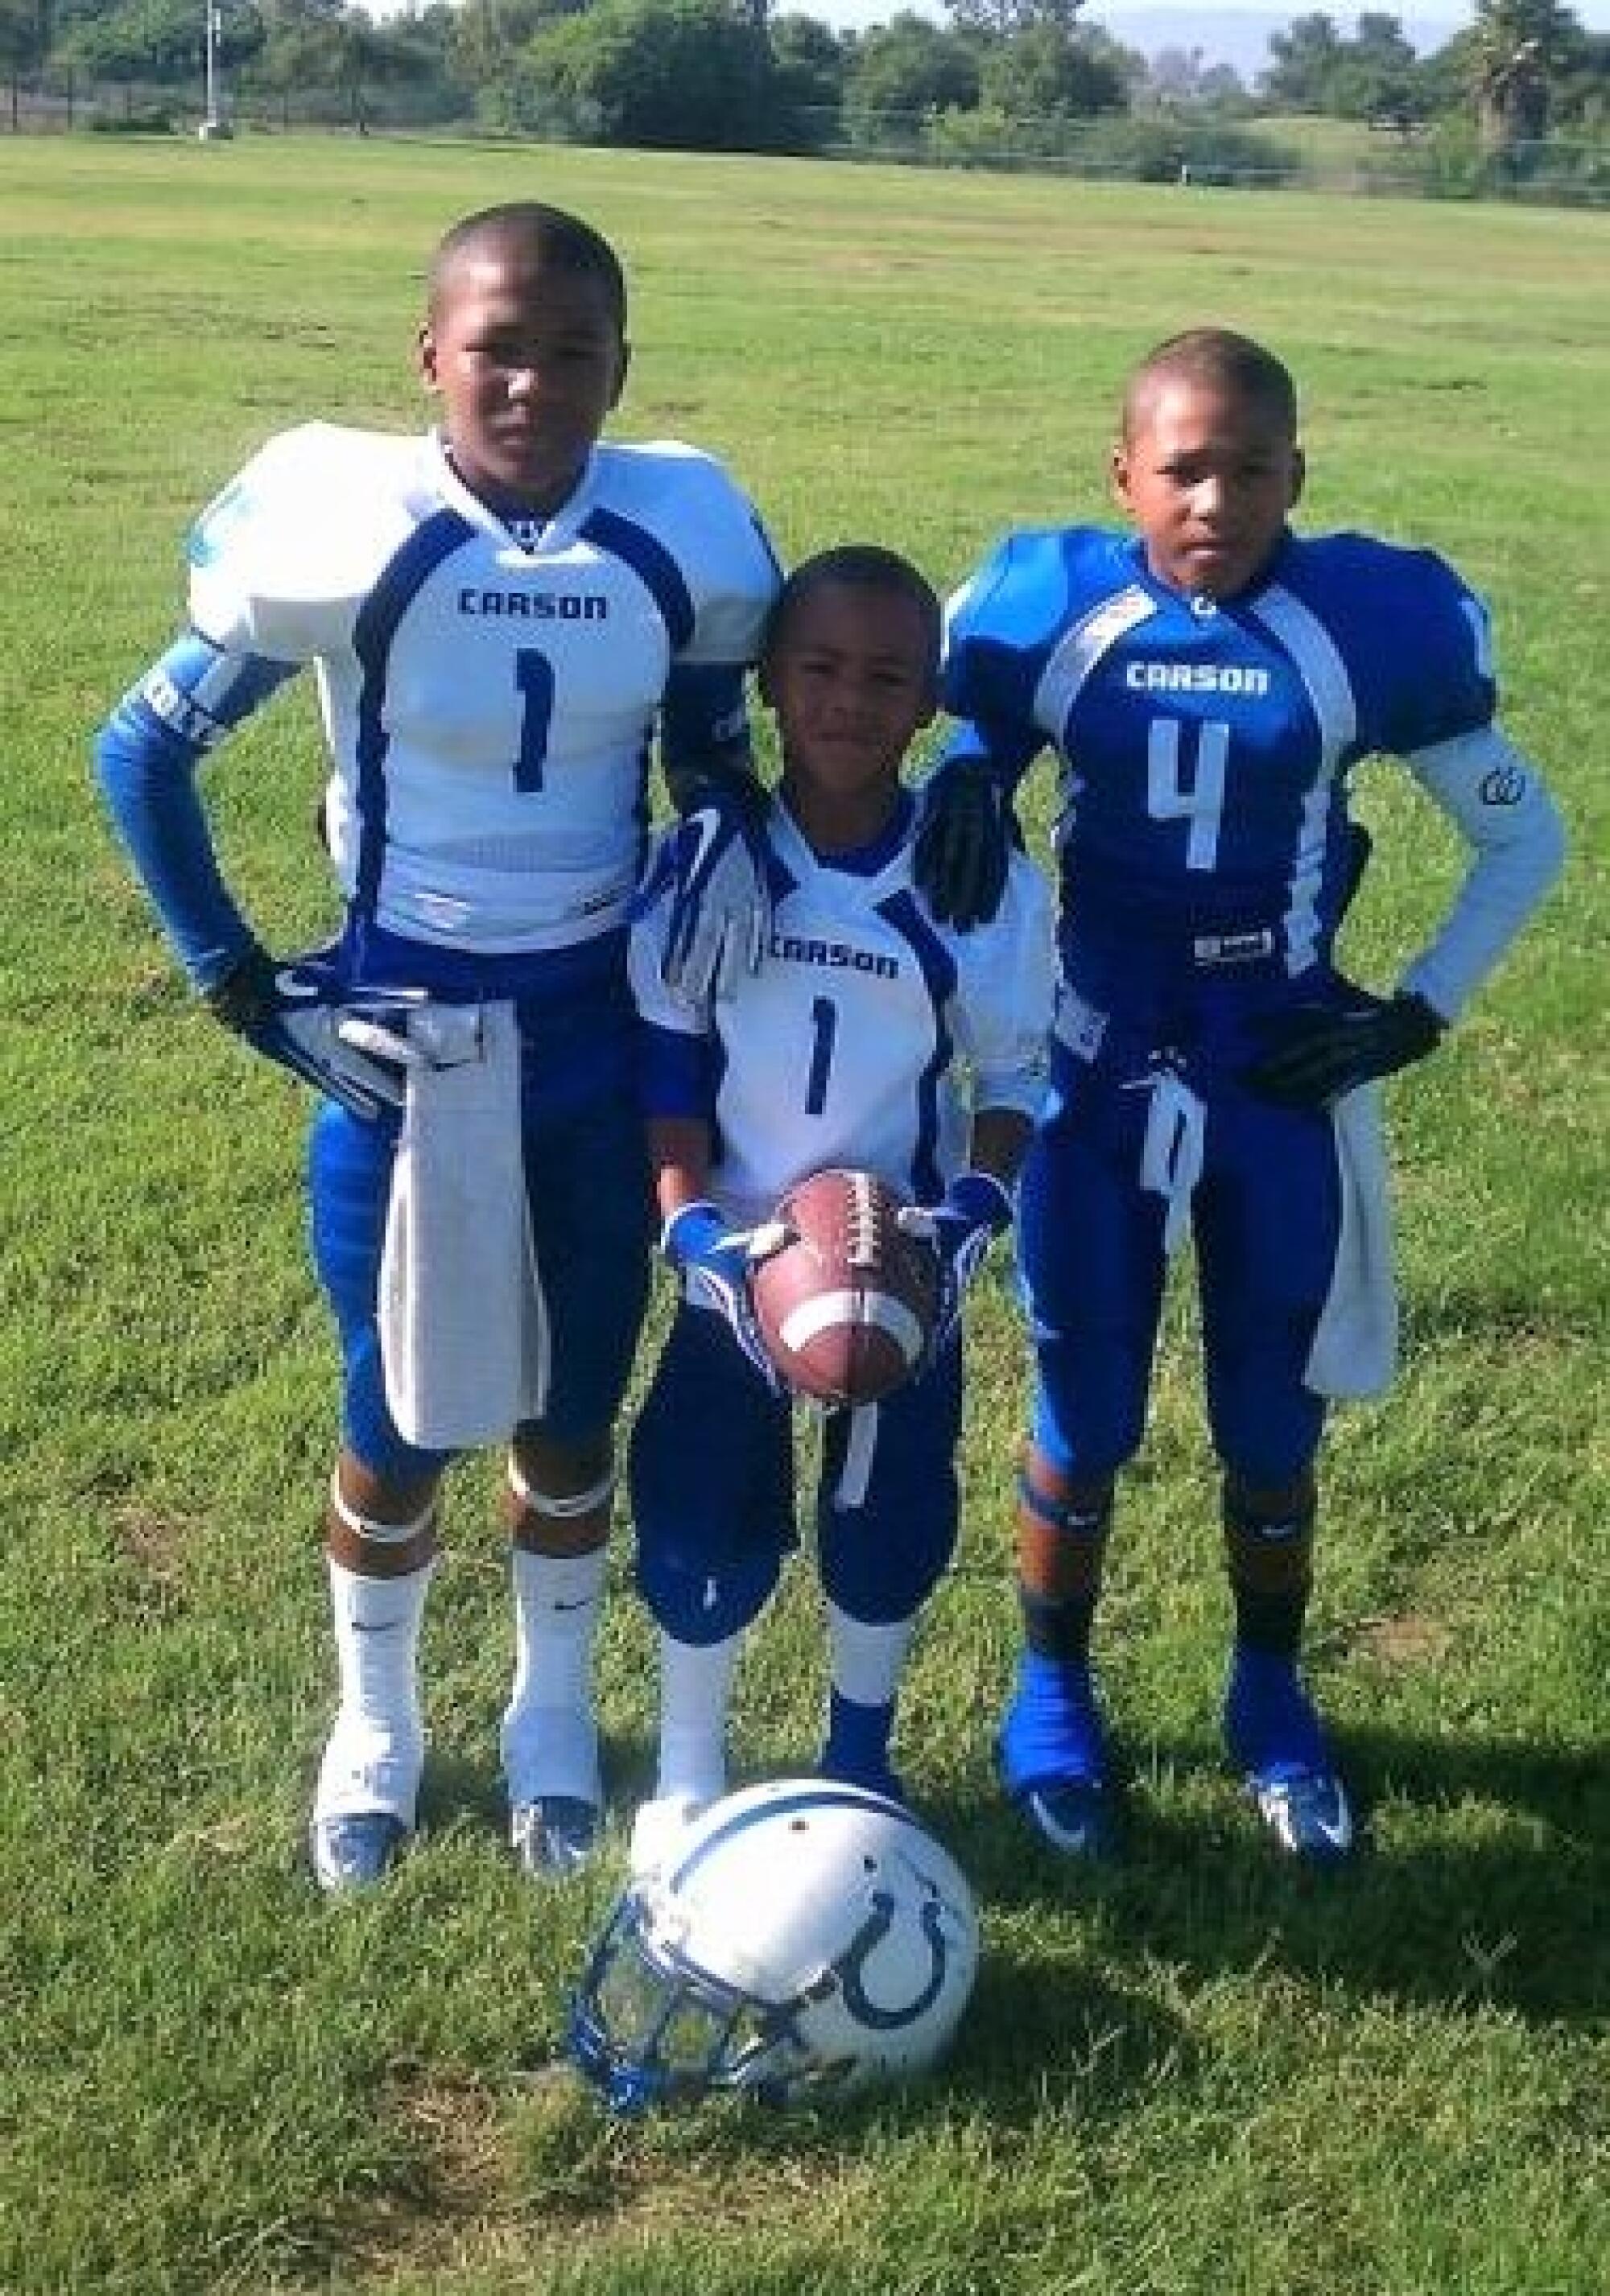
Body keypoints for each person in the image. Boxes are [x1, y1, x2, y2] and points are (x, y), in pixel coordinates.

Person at [94, 201, 782, 1893]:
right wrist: (242, 982)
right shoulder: (359, 530)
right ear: (428, 357)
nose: (532, 383)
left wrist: (747, 832)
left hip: (601, 1030)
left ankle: (553, 1714)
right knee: (393, 1400)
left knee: (571, 1397)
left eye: (570, 353)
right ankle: (377, 1724)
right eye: (497, 347)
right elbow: (140, 755)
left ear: (622, 368)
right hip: (406, 1023)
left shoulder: (676, 540)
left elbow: (712, 760)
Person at [913, 328, 1566, 1861]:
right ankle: (1050, 1689)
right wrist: (963, 759)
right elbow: (977, 722)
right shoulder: (1054, 610)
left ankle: (1268, 1692)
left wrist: (1415, 1013)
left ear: (1298, 477)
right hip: (1094, 1057)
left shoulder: (1357, 625)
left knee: (1272, 1417)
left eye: (1251, 468)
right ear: (1123, 474)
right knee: (1084, 1404)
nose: (1216, 497)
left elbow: (1523, 837)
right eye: (1184, 467)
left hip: (1271, 1061)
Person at [624, 546, 1055, 1875]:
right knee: (699, 1514)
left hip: (898, 1261)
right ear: (766, 681)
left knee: (886, 1531)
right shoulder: (707, 859)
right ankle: (689, 1768)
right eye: (817, 669)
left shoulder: (970, 876)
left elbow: (1016, 1068)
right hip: (738, 1258)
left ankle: (859, 1756)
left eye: (886, 678)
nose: (848, 702)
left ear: (933, 702)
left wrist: (978, 1197)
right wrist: (689, 1215)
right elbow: (668, 1057)